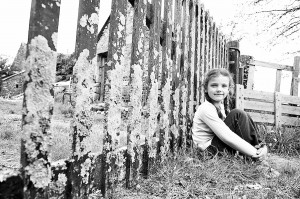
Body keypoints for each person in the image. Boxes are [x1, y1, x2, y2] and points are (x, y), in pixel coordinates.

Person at [192, 68, 268, 161]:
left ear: (228, 90)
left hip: (215, 148)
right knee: (237, 114)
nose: (219, 89)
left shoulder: (221, 107)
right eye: (214, 85)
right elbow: (227, 136)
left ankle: (260, 148)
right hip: (207, 154)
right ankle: (257, 159)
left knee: (243, 115)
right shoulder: (206, 108)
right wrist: (255, 154)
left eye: (224, 86)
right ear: (206, 89)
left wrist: (263, 148)